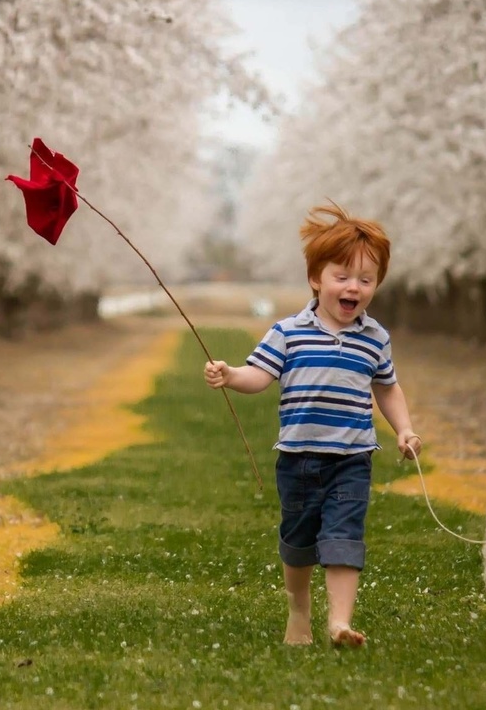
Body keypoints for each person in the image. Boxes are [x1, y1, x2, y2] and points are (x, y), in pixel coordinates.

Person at [203, 202, 422, 647]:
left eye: (366, 280)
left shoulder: (375, 337)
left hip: (353, 457)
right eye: (342, 276)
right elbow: (259, 375)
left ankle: (339, 622)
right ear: (316, 279)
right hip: (299, 457)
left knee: (344, 535)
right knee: (299, 539)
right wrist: (230, 376)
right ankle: (299, 611)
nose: (353, 288)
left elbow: (387, 388)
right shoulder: (288, 332)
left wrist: (403, 428)